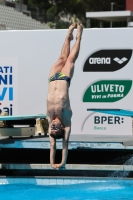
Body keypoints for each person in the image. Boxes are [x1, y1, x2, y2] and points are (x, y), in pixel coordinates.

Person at [46, 23, 83, 170]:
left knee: (62, 57)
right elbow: (64, 145)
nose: (53, 127)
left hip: (52, 78)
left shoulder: (50, 119)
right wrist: (62, 162)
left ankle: (68, 34)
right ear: (61, 127)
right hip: (64, 79)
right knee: (70, 60)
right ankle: (79, 36)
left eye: (51, 129)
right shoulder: (66, 122)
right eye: (56, 129)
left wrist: (51, 162)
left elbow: (51, 144)